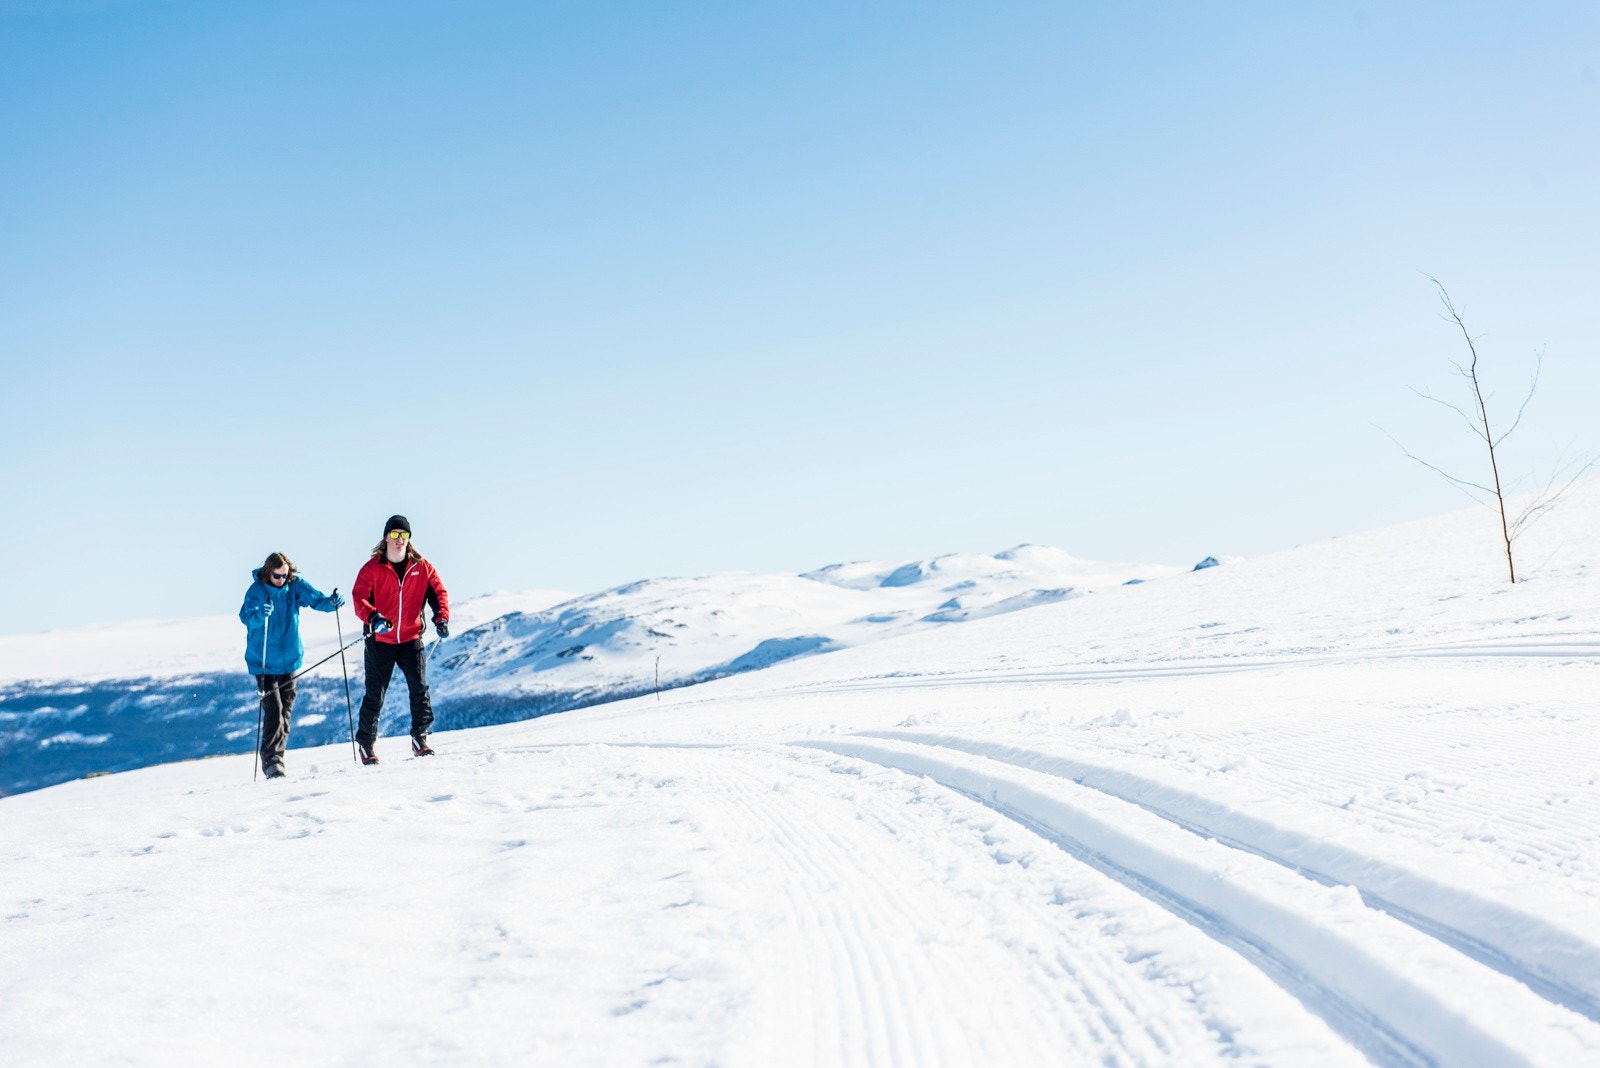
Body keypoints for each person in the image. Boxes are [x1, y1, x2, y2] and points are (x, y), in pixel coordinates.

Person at [350, 514, 451, 764]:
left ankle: (420, 738)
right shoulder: (372, 568)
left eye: (403, 535)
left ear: (409, 539)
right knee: (375, 694)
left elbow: (438, 594)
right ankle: (366, 744)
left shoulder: (422, 567)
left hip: (410, 637)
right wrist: (373, 618)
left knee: (419, 689)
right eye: (394, 535)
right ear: (386, 538)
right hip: (380, 641)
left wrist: (441, 618)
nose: (399, 540)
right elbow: (358, 597)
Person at [239, 552, 345, 779]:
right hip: (264, 663)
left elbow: (316, 600)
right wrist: (259, 615)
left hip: (289, 661)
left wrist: (332, 603)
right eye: (277, 576)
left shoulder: (294, 586)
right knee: (274, 712)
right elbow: (246, 617)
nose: (282, 580)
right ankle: (272, 761)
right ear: (268, 573)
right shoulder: (257, 591)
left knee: (285, 712)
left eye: (285, 576)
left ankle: (277, 756)